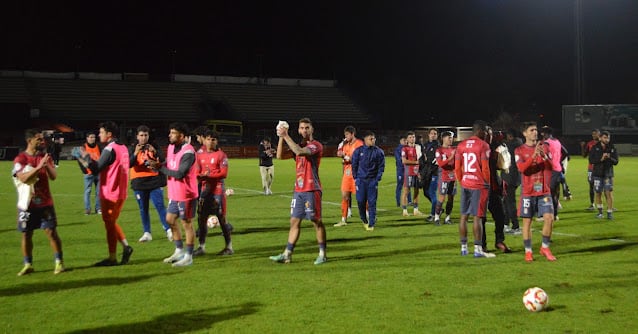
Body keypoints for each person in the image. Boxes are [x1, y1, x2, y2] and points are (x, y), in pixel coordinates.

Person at [269, 118, 327, 265]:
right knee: (294, 221)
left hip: (311, 189)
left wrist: (286, 135)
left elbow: (299, 152)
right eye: (301, 128)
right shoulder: (298, 144)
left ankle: (322, 253)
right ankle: (287, 254)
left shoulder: (316, 145)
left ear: (312, 129)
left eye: (307, 128)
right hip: (299, 190)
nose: (304, 130)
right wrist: (281, 137)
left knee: (315, 221)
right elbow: (280, 156)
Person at [77, 121, 134, 266]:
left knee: (109, 223)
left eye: (101, 132)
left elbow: (96, 168)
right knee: (111, 222)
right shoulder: (123, 148)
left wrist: (83, 156)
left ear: (109, 134)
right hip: (121, 191)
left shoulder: (110, 149)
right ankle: (124, 248)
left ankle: (113, 257)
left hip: (110, 191)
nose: (98, 135)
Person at [12, 128, 65, 276]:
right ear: (30, 141)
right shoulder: (20, 159)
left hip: (45, 203)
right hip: (27, 204)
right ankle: (28, 264)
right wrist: (38, 167)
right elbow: (22, 178)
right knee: (26, 234)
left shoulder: (45, 157)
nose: (42, 141)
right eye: (39, 139)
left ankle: (59, 262)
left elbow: (53, 176)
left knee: (51, 232)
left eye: (42, 139)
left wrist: (46, 164)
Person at [149, 122, 199, 267]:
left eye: (173, 133)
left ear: (181, 136)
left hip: (186, 194)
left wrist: (160, 168)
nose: (169, 135)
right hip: (174, 193)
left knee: (186, 224)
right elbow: (169, 163)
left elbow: (179, 173)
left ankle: (189, 256)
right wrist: (157, 164)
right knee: (170, 219)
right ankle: (179, 250)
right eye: (170, 132)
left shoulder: (188, 152)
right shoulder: (171, 147)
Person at [514, 121, 556, 262]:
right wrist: (533, 156)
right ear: (524, 133)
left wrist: (544, 156)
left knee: (549, 218)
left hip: (544, 191)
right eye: (531, 130)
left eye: (536, 130)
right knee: (527, 222)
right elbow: (522, 169)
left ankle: (545, 247)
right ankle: (528, 251)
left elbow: (551, 166)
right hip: (528, 192)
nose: (535, 132)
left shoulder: (545, 148)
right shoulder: (519, 150)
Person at [454, 120, 495, 258]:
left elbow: (457, 167)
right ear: (481, 131)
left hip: (466, 183)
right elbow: (485, 168)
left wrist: (462, 181)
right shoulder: (484, 145)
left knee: (463, 216)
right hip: (479, 185)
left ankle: (464, 248)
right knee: (477, 218)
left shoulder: (461, 145)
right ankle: (478, 249)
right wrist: (487, 184)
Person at [194, 129, 234, 256]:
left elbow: (224, 173)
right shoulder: (199, 154)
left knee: (222, 218)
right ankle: (201, 247)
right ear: (204, 140)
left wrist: (208, 175)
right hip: (205, 190)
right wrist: (202, 176)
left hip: (217, 189)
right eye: (208, 139)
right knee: (201, 218)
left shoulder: (221, 155)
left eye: (213, 139)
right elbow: (196, 172)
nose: (210, 142)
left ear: (217, 141)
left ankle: (229, 247)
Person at [128, 125, 171, 242]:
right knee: (143, 208)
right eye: (141, 135)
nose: (143, 138)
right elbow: (128, 164)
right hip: (138, 182)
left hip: (153, 180)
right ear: (137, 136)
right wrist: (135, 153)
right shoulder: (132, 147)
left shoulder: (154, 145)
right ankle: (147, 232)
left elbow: (162, 160)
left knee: (160, 206)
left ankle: (168, 230)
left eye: (146, 135)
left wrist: (155, 152)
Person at [480, 128, 512, 253]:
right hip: (480, 187)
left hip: (493, 187)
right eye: (487, 133)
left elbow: (502, 165)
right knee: (481, 218)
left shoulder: (495, 147)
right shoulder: (478, 147)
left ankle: (499, 241)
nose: (489, 135)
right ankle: (481, 245)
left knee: (500, 215)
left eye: (490, 133)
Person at [351, 131, 385, 231]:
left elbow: (381, 166)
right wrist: (356, 178)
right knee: (360, 201)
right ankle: (364, 219)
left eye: (374, 139)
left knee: (372, 202)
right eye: (371, 139)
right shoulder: (358, 151)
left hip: (372, 181)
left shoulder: (379, 152)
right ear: (365, 140)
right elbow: (354, 165)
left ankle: (371, 223)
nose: (373, 140)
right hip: (360, 181)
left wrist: (377, 178)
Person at [335, 125, 363, 226]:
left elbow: (358, 159)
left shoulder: (360, 144)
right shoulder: (346, 145)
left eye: (347, 134)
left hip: (357, 174)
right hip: (347, 174)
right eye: (345, 135)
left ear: (352, 134)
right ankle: (343, 219)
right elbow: (346, 159)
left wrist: (345, 157)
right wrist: (343, 159)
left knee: (361, 197)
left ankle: (369, 215)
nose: (346, 137)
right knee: (345, 196)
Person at [588, 131, 619, 220]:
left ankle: (609, 213)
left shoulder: (612, 148)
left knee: (608, 193)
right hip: (597, 174)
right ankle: (600, 212)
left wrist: (609, 157)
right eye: (605, 137)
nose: (607, 139)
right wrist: (601, 159)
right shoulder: (595, 147)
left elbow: (616, 161)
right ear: (601, 138)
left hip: (608, 174)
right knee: (598, 193)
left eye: (608, 138)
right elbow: (591, 160)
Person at [539, 126, 563, 221]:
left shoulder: (546, 143)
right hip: (558, 169)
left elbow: (544, 157)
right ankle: (555, 215)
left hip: (550, 170)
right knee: (554, 194)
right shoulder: (557, 141)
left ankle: (547, 214)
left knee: (547, 193)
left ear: (545, 133)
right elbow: (562, 154)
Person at [502, 128, 522, 235]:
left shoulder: (507, 146)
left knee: (509, 202)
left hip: (508, 177)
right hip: (516, 177)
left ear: (510, 136)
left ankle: (515, 226)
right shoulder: (520, 144)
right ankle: (505, 225)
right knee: (506, 201)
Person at [433, 131, 456, 225]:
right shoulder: (439, 150)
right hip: (444, 176)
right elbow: (441, 164)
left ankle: (447, 217)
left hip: (453, 177)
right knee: (442, 198)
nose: (451, 139)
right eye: (449, 138)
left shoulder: (454, 149)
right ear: (443, 138)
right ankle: (437, 217)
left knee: (451, 198)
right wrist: (451, 158)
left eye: (451, 138)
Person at [401, 131, 424, 216]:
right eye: (410, 137)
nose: (412, 139)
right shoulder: (405, 149)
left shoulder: (418, 147)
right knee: (406, 191)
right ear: (407, 139)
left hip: (417, 172)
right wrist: (416, 162)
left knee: (417, 191)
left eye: (413, 137)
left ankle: (416, 210)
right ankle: (404, 211)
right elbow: (404, 161)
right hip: (408, 172)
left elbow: (421, 159)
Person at [79, 132, 102, 215]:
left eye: (94, 137)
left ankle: (98, 208)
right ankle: (87, 209)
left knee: (98, 192)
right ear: (87, 138)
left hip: (98, 173)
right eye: (91, 137)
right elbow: (80, 160)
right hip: (88, 173)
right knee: (87, 191)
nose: (93, 139)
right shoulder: (83, 147)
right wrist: (85, 171)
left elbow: (102, 158)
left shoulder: (98, 146)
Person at [421, 128, 439, 221]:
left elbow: (436, 162)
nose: (433, 135)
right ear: (428, 135)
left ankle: (433, 215)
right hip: (427, 172)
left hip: (435, 173)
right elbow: (424, 159)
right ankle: (438, 208)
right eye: (432, 133)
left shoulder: (438, 146)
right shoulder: (425, 145)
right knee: (426, 192)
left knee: (432, 193)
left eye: (435, 134)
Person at [581, 129, 600, 210]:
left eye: (595, 134)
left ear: (599, 134)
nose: (594, 135)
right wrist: (582, 147)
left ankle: (606, 205)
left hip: (600, 168)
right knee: (591, 186)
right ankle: (592, 204)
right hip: (591, 168)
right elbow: (584, 155)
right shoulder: (590, 143)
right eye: (593, 134)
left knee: (601, 187)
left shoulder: (602, 143)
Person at [394, 136, 411, 207]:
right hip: (401, 170)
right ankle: (398, 202)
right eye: (404, 140)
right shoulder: (398, 149)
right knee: (399, 186)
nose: (405, 142)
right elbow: (399, 160)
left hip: (408, 170)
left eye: (406, 140)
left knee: (408, 186)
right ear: (400, 141)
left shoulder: (408, 148)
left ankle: (409, 201)